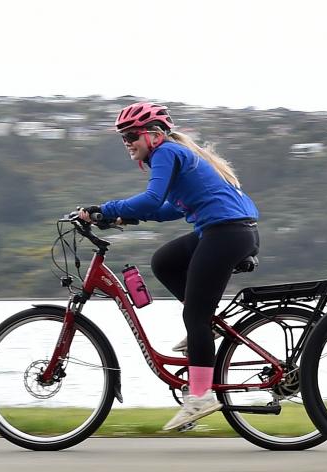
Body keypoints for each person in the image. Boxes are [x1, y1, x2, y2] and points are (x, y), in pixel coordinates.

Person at [80, 102, 260, 428]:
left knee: (194, 317)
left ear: (154, 134)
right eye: (123, 137)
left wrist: (104, 209)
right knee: (164, 262)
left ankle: (201, 395)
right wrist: (122, 217)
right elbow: (170, 209)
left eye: (132, 135)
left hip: (227, 234)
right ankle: (208, 327)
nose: (127, 142)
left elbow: (151, 201)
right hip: (224, 232)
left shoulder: (166, 153)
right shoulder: (171, 155)